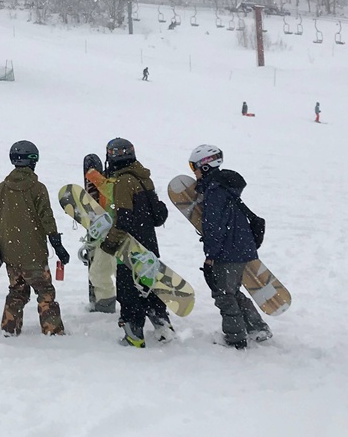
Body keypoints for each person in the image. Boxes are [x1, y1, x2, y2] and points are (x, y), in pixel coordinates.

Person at [188, 144, 271, 350]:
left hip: (228, 250)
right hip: (240, 247)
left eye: (194, 166)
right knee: (232, 292)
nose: (194, 172)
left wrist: (210, 256)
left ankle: (235, 338)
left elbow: (214, 227)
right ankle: (257, 328)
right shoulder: (222, 187)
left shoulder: (215, 191)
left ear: (205, 166)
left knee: (224, 295)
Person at [99, 137, 173, 348]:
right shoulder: (143, 178)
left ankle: (134, 334)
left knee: (128, 291)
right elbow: (158, 216)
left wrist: (110, 244)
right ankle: (162, 325)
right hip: (149, 245)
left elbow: (124, 220)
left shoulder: (123, 182)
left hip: (130, 248)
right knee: (149, 286)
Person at [0, 140, 68, 336]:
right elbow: (47, 219)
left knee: (17, 292)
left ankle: (9, 328)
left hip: (10, 253)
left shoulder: (1, 188)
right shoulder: (37, 188)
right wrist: (57, 245)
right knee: (45, 292)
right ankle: (52, 330)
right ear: (34, 160)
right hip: (33, 254)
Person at [81, 153, 116, 313]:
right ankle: (104, 305)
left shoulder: (125, 181)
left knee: (120, 273)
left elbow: (114, 193)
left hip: (119, 233)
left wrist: (96, 179)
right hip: (106, 234)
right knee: (98, 272)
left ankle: (138, 304)